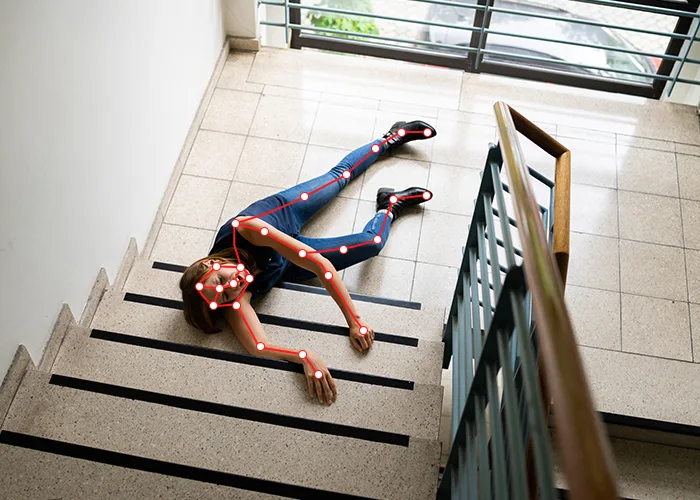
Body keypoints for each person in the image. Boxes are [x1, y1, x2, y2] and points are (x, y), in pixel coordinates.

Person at [180, 120, 437, 405]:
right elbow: (258, 346)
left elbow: (319, 265)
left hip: (284, 214)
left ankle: (390, 138)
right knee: (372, 243)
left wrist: (354, 320)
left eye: (220, 280)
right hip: (285, 266)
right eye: (225, 297)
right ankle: (390, 205)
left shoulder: (246, 229)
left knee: (339, 177)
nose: (232, 286)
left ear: (211, 263)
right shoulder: (229, 298)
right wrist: (304, 356)